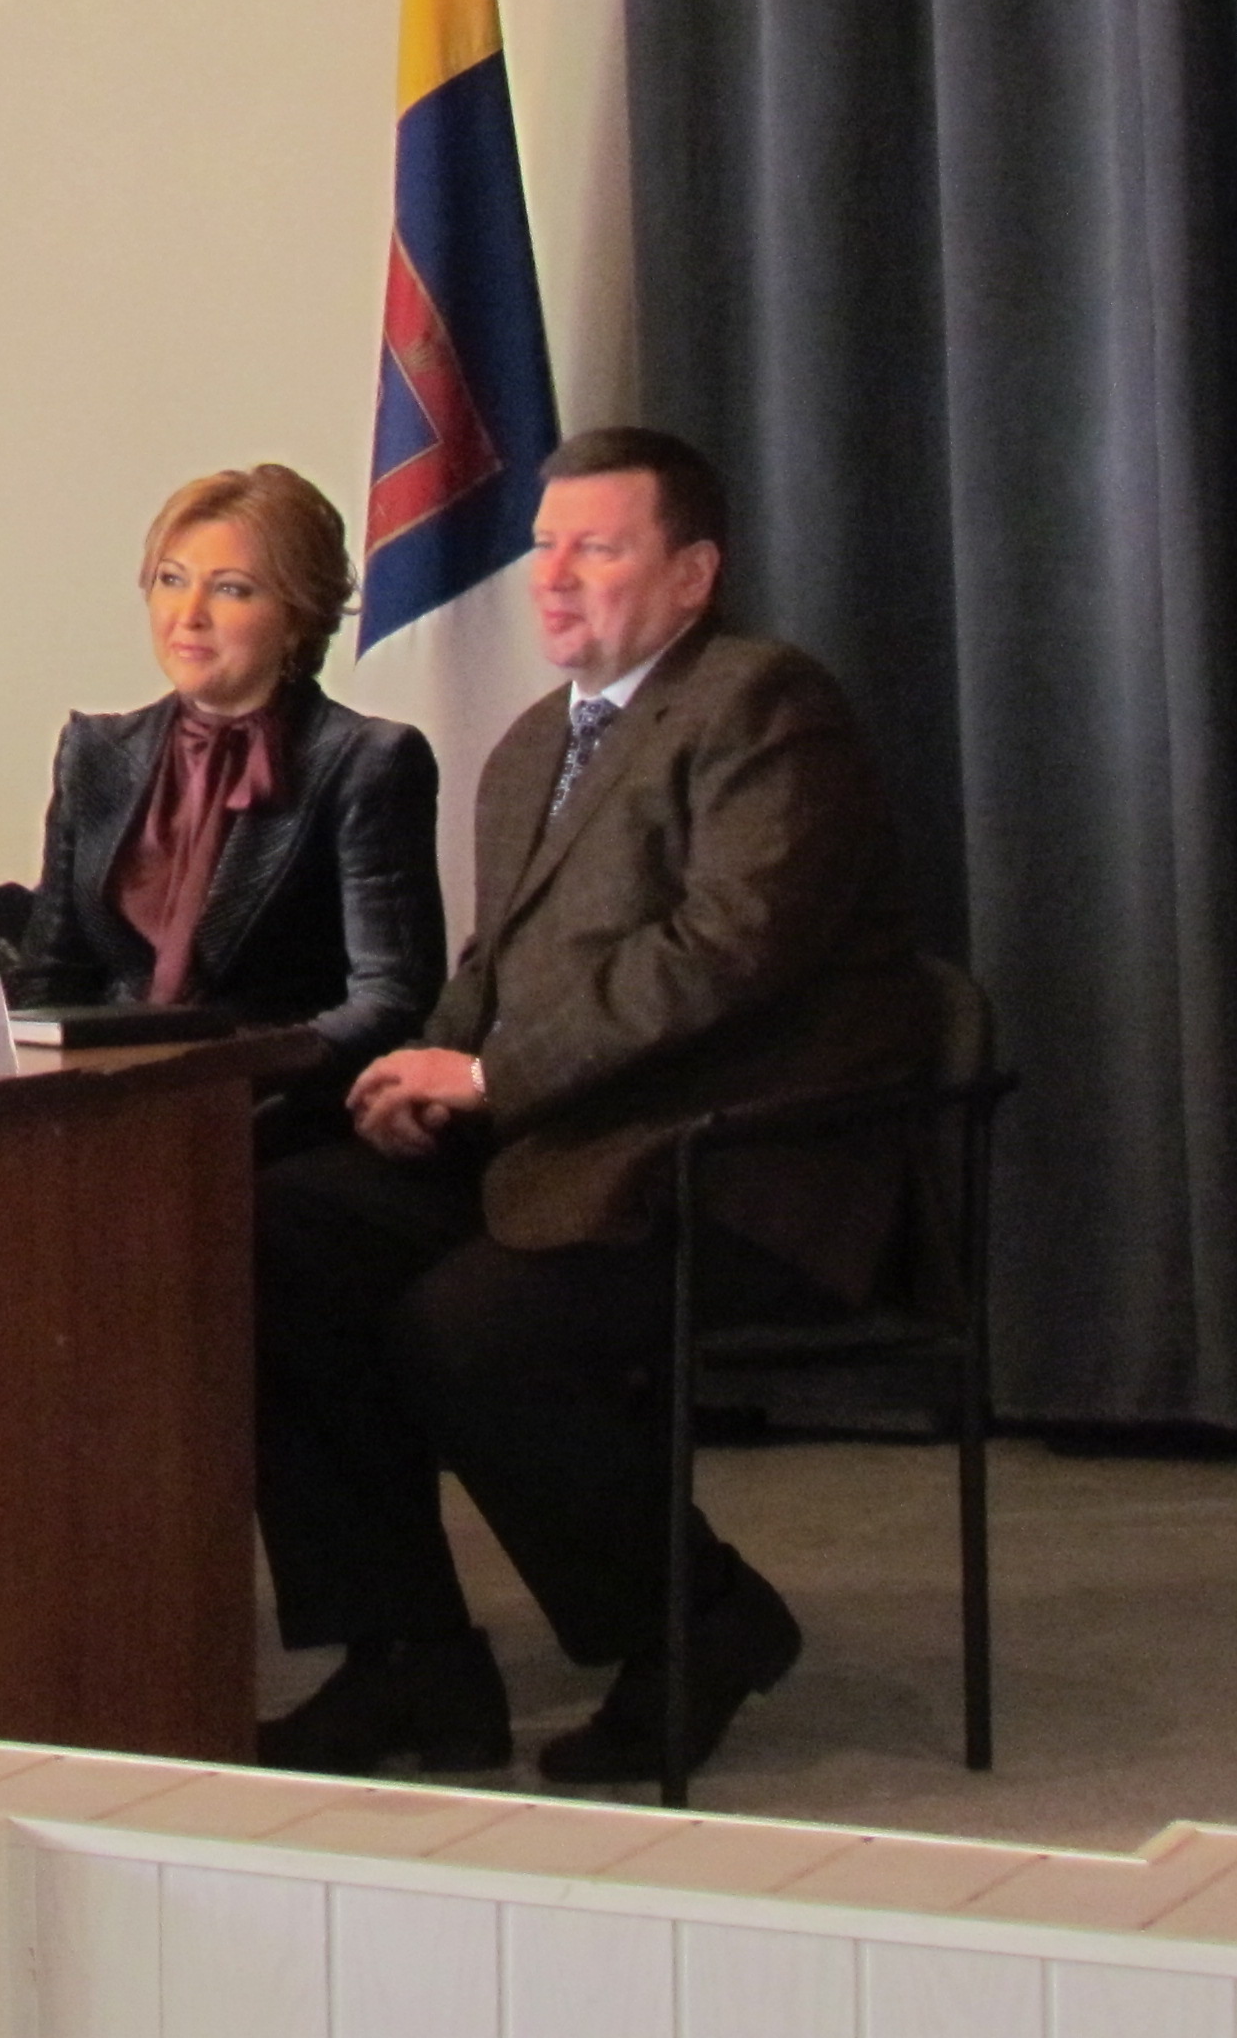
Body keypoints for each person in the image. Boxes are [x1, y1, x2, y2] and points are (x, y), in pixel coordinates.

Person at [252, 427, 931, 1788]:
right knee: (274, 1239)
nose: (553, 578)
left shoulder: (763, 706)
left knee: (468, 1328)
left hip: (732, 1162)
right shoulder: (531, 746)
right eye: (544, 547)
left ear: (693, 575)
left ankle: (698, 1620)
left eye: (598, 549)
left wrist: (492, 1077)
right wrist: (424, 1067)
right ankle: (410, 1658)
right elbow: (493, 968)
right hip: (565, 1145)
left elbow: (726, 952)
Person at [15, 464, 441, 1141]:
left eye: (231, 589)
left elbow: (390, 998)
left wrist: (211, 1078)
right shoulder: (93, 752)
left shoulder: (368, 761)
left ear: (297, 617)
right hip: (103, 1109)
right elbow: (50, 979)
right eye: (171, 580)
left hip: (282, 1112)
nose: (188, 615)